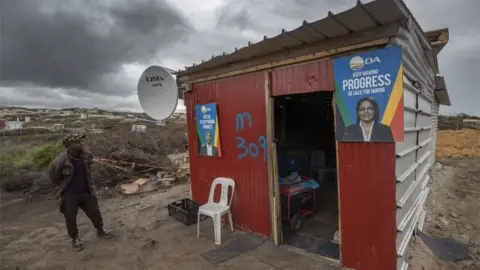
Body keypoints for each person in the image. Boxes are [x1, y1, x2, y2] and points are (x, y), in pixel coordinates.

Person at [48, 132, 114, 251]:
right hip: (70, 195)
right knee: (71, 218)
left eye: (81, 141)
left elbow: (89, 169)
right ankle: (75, 239)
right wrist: (64, 186)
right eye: (77, 142)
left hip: (86, 190)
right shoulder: (60, 161)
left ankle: (101, 230)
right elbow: (54, 178)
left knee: (95, 212)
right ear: (69, 145)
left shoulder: (87, 155)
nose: (81, 143)